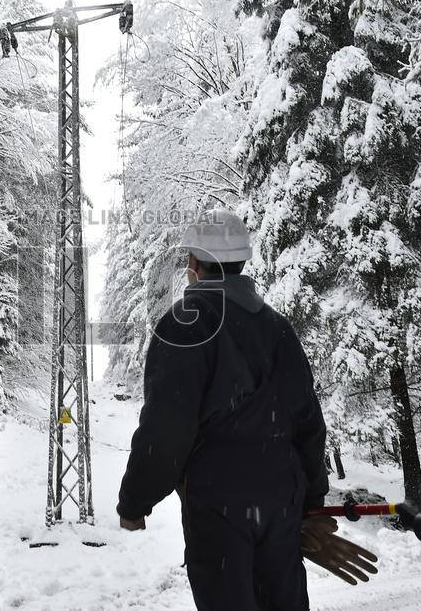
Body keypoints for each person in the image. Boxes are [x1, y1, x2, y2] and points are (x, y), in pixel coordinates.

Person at [116, 211, 329, 611]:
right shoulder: (278, 328)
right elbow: (308, 421)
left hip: (219, 504)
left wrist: (135, 501)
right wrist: (312, 499)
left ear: (195, 264)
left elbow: (166, 430)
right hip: (281, 499)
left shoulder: (184, 324)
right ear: (242, 261)